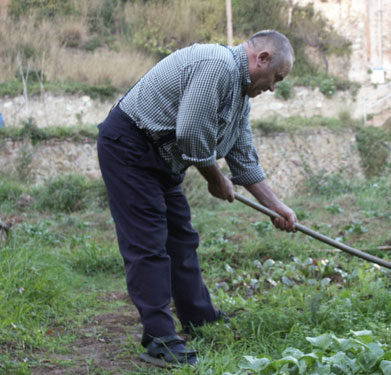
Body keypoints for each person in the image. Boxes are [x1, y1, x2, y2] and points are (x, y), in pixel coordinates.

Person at [97, 30, 297, 367]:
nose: (273, 88)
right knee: (149, 243)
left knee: (182, 239)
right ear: (262, 58)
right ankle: (159, 339)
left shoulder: (240, 97)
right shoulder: (216, 65)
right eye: (276, 77)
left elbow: (244, 158)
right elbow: (190, 133)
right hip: (130, 146)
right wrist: (215, 178)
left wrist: (275, 206)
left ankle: (199, 317)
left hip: (163, 158)